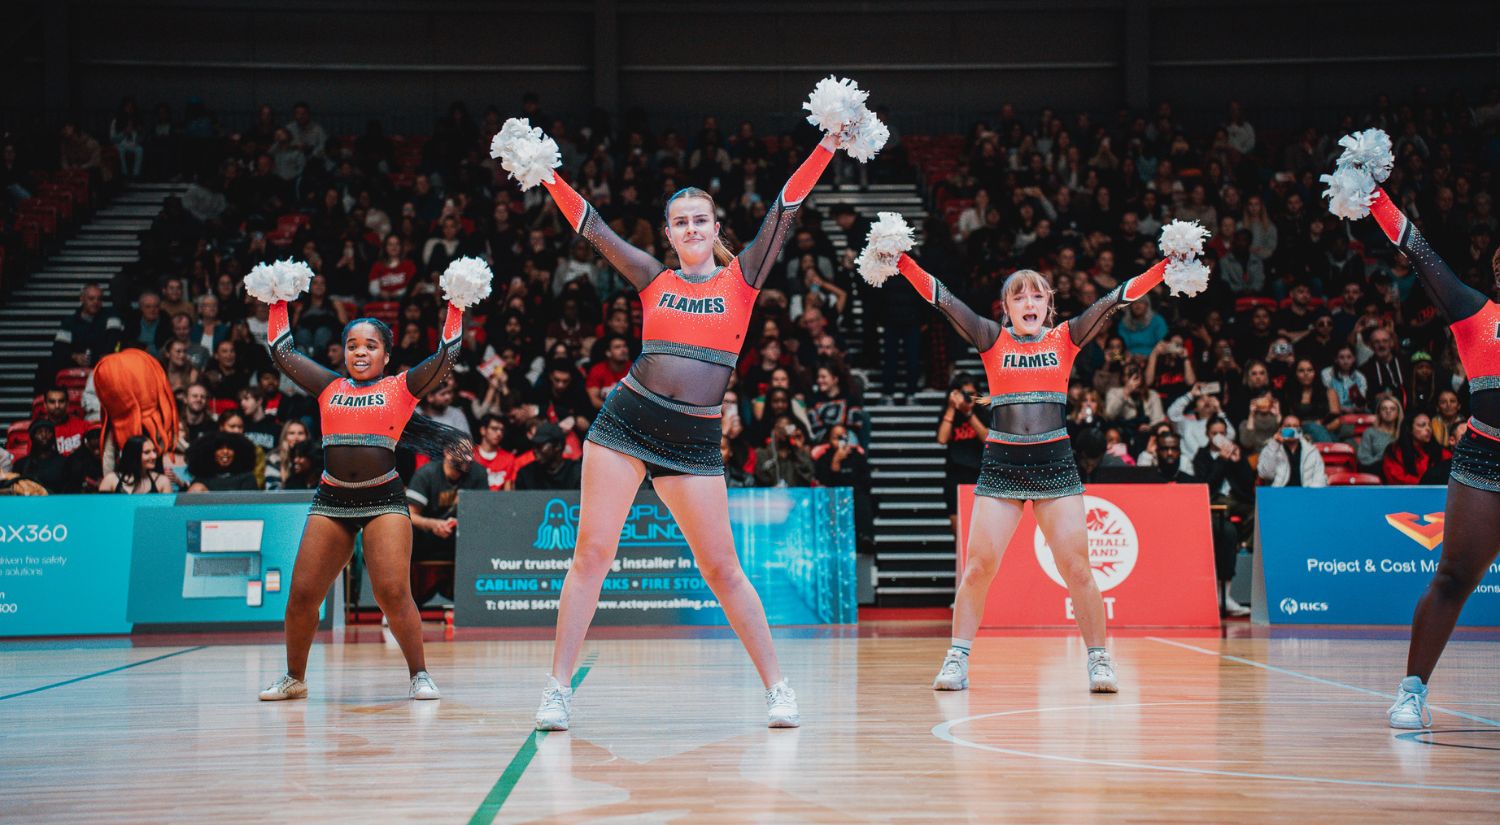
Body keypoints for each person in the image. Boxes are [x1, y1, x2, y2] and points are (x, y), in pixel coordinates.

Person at [501, 98, 853, 731]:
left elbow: (786, 207)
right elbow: (593, 228)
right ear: (668, 234)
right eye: (681, 222)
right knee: (591, 556)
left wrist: (827, 143)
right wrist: (545, 172)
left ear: (716, 229)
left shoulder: (742, 280)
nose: (692, 229)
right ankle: (557, 689)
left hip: (692, 441)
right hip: (625, 425)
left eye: (701, 220)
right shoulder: (653, 280)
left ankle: (778, 688)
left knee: (722, 569)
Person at [878, 221, 1209, 695]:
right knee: (977, 568)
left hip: (1055, 465)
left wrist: (1165, 265)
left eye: (1037, 297)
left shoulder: (1066, 339)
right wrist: (902, 260)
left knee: (1078, 568)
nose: (1028, 304)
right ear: (1006, 308)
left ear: (1048, 305)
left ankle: (1098, 660)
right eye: (1019, 298)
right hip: (1001, 466)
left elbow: (1116, 298)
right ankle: (957, 656)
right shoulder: (992, 339)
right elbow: (943, 299)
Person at [252, 258, 479, 704]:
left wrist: (457, 303)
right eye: (352, 345)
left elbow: (447, 355)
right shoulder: (328, 388)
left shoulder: (401, 388)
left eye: (370, 345)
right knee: (301, 595)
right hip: (331, 500)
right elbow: (281, 350)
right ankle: (294, 677)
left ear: (386, 355)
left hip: (384, 501)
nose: (360, 352)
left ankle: (419, 674)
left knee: (392, 592)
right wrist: (277, 298)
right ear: (342, 353)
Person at [1332, 152, 1500, 726]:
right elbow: (1418, 249)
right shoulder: (1475, 312)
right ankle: (1412, 690)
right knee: (1453, 578)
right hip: (1485, 457)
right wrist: (1373, 193)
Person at [407, 444, 488, 604]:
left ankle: (476, 605)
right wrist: (433, 524)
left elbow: (483, 514)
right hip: (426, 538)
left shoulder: (478, 473)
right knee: (404, 534)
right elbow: (410, 515)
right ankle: (402, 602)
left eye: (469, 453)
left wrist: (462, 522)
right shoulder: (427, 474)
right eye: (461, 453)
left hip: (460, 539)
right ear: (446, 453)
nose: (466, 458)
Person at [1255, 414, 1327, 487]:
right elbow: (1265, 475)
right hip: (1280, 494)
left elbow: (1320, 478)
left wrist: (1309, 494)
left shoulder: (1311, 451)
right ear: (1281, 429)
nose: (1292, 430)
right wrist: (1275, 444)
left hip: (1305, 495)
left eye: (1295, 426)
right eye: (1288, 426)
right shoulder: (1271, 448)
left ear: (1300, 430)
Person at [514, 422, 582, 490]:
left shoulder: (576, 472)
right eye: (534, 446)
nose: (535, 450)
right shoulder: (526, 474)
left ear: (558, 446)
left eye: (540, 445)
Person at [99, 435, 174, 494]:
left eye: (154, 451)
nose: (154, 456)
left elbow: (168, 513)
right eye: (147, 452)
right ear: (133, 455)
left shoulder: (162, 481)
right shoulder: (111, 480)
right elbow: (101, 510)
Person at [1357, 393, 1404, 474]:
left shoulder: (1404, 434)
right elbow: (1363, 460)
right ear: (1379, 412)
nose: (1388, 411)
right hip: (1377, 472)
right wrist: (1384, 457)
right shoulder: (1370, 432)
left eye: (1392, 409)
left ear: (1398, 413)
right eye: (1384, 408)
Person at [472, 413, 517, 490]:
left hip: (499, 501)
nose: (499, 433)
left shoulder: (508, 458)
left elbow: (508, 492)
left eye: (502, 430)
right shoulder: (470, 455)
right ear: (483, 430)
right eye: (494, 429)